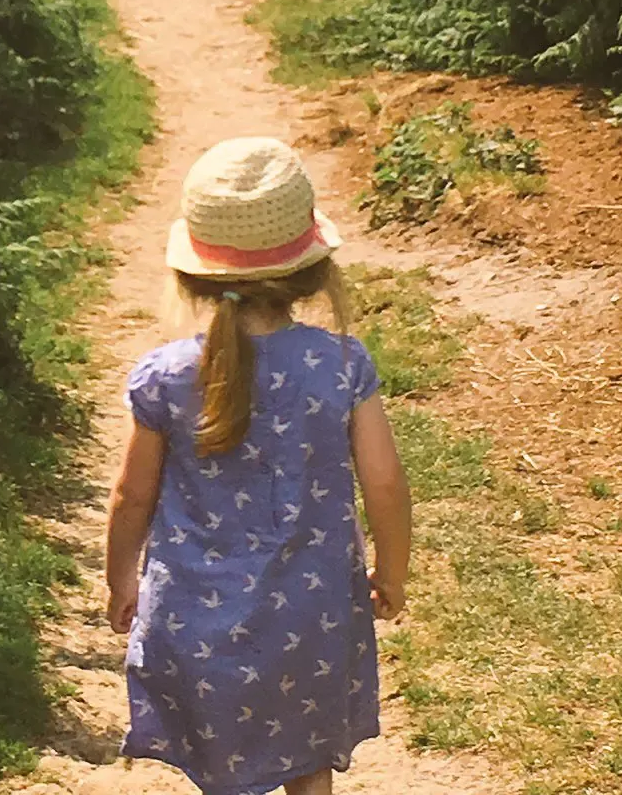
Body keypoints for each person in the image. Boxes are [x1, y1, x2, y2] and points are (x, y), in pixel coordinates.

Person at [105, 136, 413, 795]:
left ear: (193, 269)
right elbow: (384, 481)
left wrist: (119, 581)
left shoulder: (165, 377)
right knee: (308, 763)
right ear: (308, 267)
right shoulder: (339, 364)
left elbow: (132, 497)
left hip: (197, 619)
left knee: (221, 763)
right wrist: (390, 572)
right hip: (314, 614)